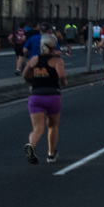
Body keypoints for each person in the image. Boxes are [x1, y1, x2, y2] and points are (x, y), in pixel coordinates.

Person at [22, 33, 67, 163]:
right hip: (53, 95)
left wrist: (33, 79)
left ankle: (32, 145)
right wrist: (64, 82)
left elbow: (25, 74)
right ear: (54, 47)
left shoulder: (34, 59)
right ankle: (51, 154)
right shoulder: (57, 61)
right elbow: (62, 76)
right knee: (52, 126)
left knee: (37, 128)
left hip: (35, 96)